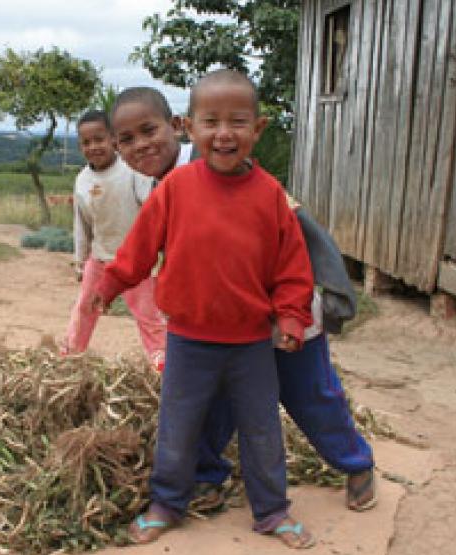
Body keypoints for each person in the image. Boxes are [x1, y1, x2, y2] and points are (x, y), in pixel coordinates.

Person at [109, 84, 376, 514]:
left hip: (279, 309)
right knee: (213, 400)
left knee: (307, 391)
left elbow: (297, 223)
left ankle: (356, 464)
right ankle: (208, 478)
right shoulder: (168, 183)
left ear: (177, 127)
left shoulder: (221, 160)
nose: (142, 145)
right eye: (127, 139)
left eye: (149, 131)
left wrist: (335, 290)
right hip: (221, 324)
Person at [95, 69, 316, 548]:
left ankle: (272, 510)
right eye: (210, 121)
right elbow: (139, 248)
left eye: (238, 121)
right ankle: (167, 503)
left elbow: (293, 265)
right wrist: (109, 282)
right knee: (177, 428)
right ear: (188, 128)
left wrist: (293, 316)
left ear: (257, 129)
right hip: (189, 341)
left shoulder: (270, 195)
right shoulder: (174, 190)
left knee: (261, 431)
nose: (223, 133)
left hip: (252, 344)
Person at [61, 110, 166, 369]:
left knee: (148, 315)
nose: (93, 147)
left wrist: (157, 253)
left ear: (114, 140)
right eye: (86, 142)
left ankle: (161, 361)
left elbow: (153, 210)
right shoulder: (82, 180)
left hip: (136, 263)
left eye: (99, 139)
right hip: (99, 258)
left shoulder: (133, 172)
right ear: (80, 146)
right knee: (85, 307)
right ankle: (71, 355)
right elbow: (82, 223)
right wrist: (79, 260)